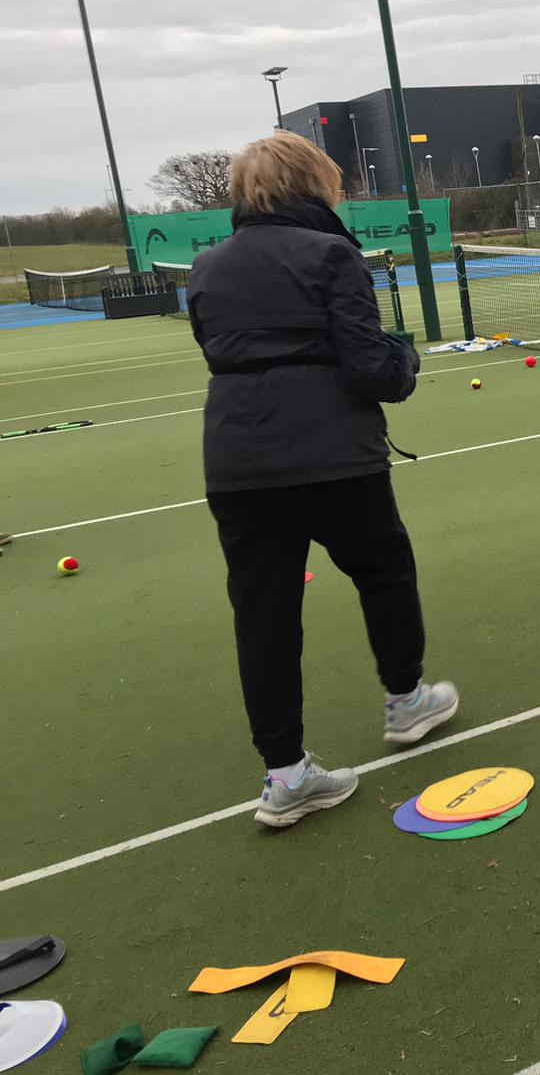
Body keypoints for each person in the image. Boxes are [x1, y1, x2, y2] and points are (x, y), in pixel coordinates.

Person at [188, 131, 458, 829]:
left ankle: (285, 774)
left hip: (238, 460)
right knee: (385, 571)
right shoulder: (332, 254)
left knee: (263, 614)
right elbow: (372, 370)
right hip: (333, 455)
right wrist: (405, 361)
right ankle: (407, 700)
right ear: (315, 183)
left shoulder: (208, 266)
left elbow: (217, 350)